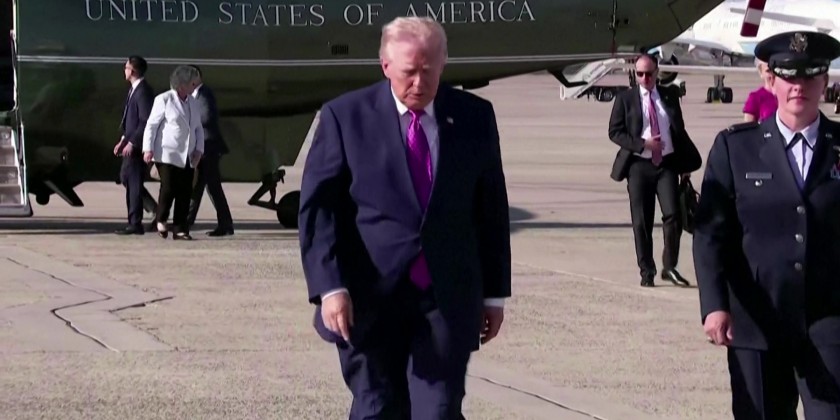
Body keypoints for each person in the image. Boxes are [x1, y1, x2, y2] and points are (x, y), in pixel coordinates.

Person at [298, 16, 511, 419]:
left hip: (445, 298)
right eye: (409, 72)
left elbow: (491, 211)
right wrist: (330, 288)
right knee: (377, 409)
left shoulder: (474, 117)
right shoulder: (346, 117)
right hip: (368, 298)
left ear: (443, 64)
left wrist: (494, 294)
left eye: (428, 71)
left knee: (438, 411)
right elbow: (318, 210)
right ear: (386, 66)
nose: (419, 82)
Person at [693, 31, 840, 419]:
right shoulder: (735, 147)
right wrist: (714, 305)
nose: (799, 86)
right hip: (757, 319)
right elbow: (710, 233)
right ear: (771, 81)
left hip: (829, 320)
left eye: (809, 75)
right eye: (789, 76)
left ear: (825, 81)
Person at [607, 54, 702, 287]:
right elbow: (615, 132)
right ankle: (646, 271)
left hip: (666, 165)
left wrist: (684, 166)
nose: (644, 78)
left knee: (673, 215)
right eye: (639, 74)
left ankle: (669, 266)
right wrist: (643, 144)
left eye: (648, 74)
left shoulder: (669, 96)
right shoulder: (625, 99)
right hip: (638, 166)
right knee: (642, 221)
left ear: (657, 72)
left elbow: (678, 131)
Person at [142, 65, 204, 241]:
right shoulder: (164, 99)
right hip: (166, 153)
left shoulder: (193, 102)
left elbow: (198, 128)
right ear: (182, 84)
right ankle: (161, 219)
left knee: (185, 191)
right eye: (192, 83)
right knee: (168, 188)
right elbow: (151, 125)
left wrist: (199, 150)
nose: (195, 86)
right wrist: (148, 148)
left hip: (188, 155)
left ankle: (180, 229)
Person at [185, 65, 234, 236]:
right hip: (203, 147)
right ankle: (189, 222)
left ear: (197, 76)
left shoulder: (204, 94)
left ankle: (223, 224)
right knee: (204, 187)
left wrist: (189, 121)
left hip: (209, 147)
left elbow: (207, 117)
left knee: (209, 187)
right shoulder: (194, 95)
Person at [114, 55, 154, 235]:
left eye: (126, 67)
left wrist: (132, 143)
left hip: (137, 148)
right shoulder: (134, 90)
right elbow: (131, 121)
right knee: (126, 178)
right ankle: (138, 217)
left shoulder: (143, 91)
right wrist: (123, 140)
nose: (124, 70)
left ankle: (135, 223)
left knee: (134, 183)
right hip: (130, 143)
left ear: (133, 71)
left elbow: (145, 121)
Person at [742, 58, 778, 122]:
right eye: (768, 71)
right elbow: (748, 125)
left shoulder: (790, 94)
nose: (773, 74)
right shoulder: (755, 98)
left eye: (776, 70)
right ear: (761, 73)